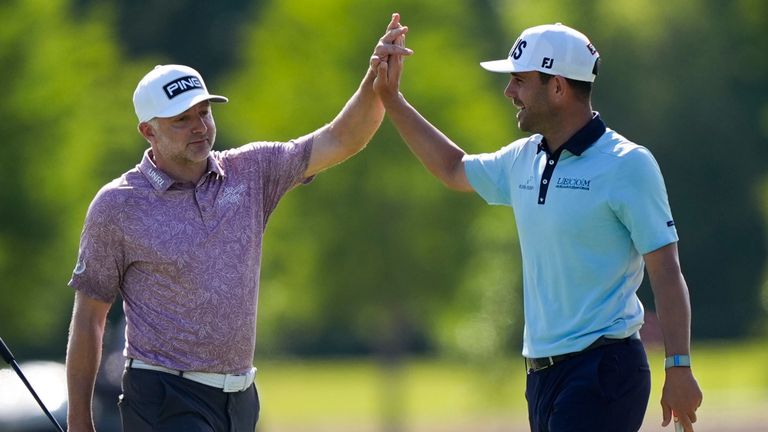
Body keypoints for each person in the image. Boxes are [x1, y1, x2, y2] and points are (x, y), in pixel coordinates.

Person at [65, 14, 412, 432]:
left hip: (240, 399)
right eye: (182, 120)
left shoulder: (252, 171)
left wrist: (375, 82)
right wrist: (79, 421)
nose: (200, 127)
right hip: (163, 396)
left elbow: (342, 138)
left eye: (204, 113)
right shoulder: (117, 205)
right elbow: (89, 319)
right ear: (147, 131)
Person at [372, 20, 703, 432]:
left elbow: (666, 271)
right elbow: (453, 167)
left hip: (604, 367)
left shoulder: (628, 164)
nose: (510, 92)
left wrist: (679, 366)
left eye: (519, 81)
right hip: (542, 377)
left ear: (559, 88)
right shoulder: (524, 158)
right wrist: (392, 99)